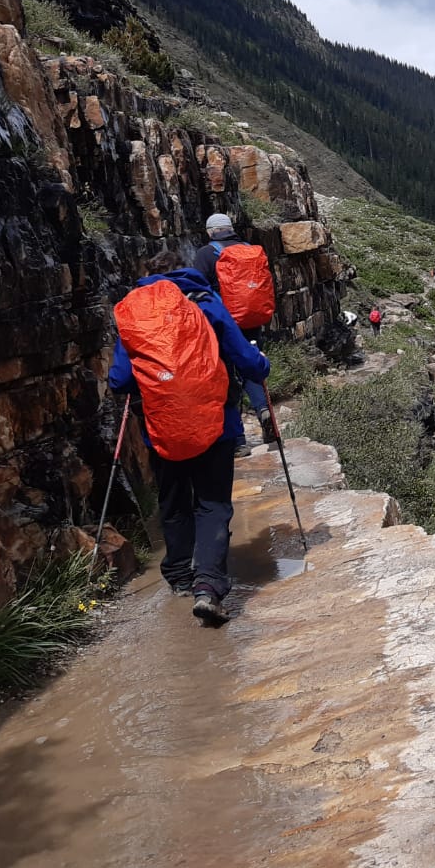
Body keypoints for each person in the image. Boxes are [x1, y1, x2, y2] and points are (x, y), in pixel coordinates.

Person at [110, 251, 270, 626]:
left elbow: (119, 380)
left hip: (162, 429)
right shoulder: (207, 302)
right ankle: (208, 586)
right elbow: (246, 361)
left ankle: (180, 576)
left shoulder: (135, 312)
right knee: (213, 504)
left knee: (173, 501)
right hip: (216, 425)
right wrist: (262, 364)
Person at [191, 213, 276, 442]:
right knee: (251, 366)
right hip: (253, 320)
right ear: (230, 228)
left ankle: (237, 440)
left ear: (210, 232)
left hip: (224, 323)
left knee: (226, 376)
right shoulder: (251, 249)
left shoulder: (207, 253)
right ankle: (263, 410)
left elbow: (197, 288)